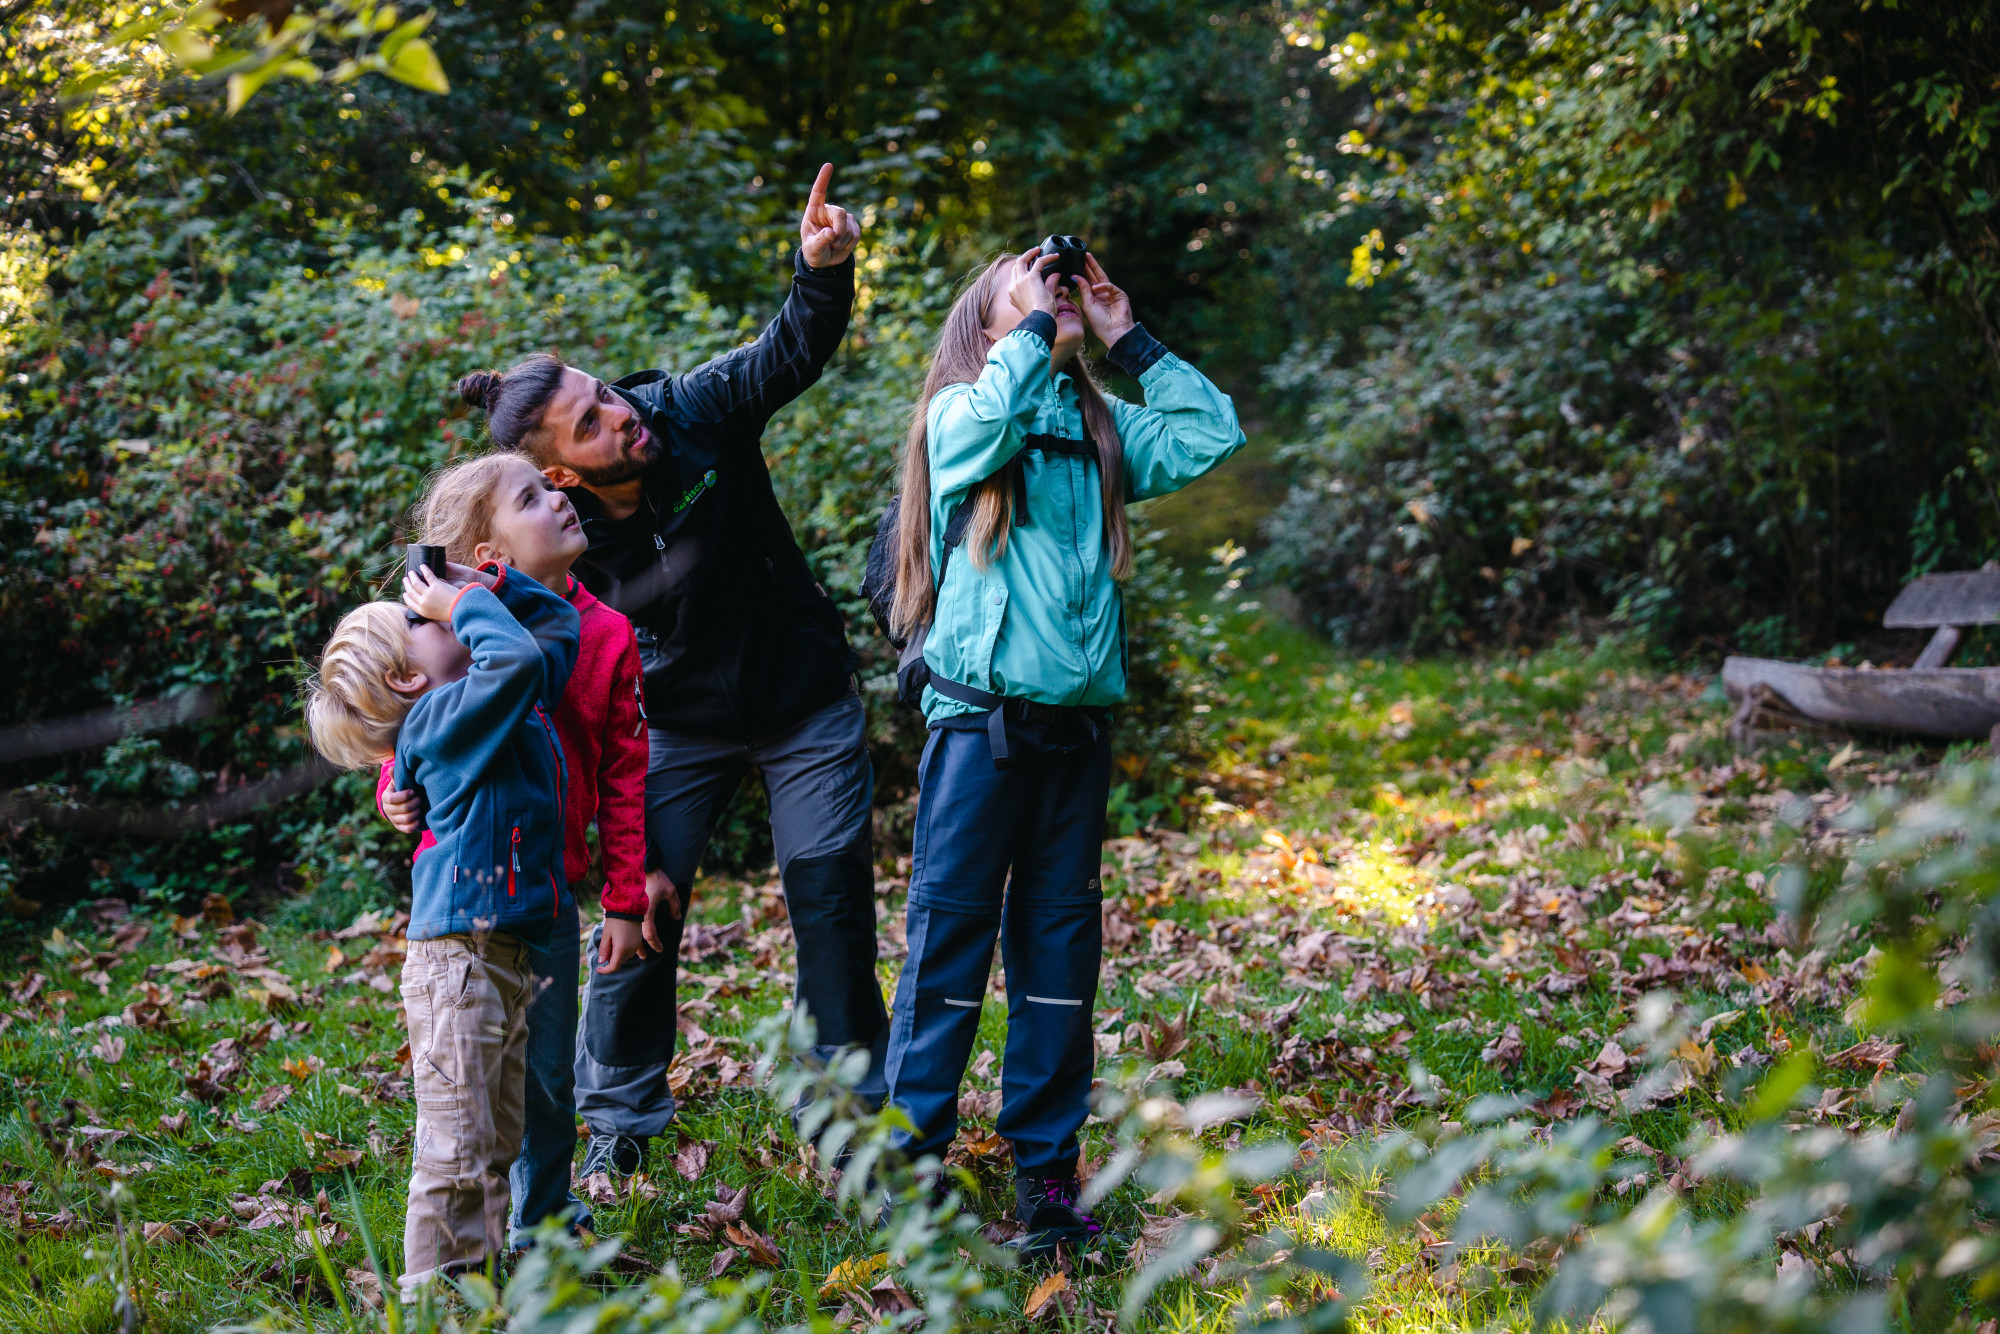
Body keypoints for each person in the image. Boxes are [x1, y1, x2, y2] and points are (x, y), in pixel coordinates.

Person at [444, 163, 882, 1180]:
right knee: (641, 911)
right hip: (670, 724)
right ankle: (623, 1116)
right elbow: (490, 628)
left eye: (606, 398)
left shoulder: (689, 412)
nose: (619, 419)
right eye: (590, 425)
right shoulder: (551, 528)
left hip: (801, 699)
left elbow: (788, 350)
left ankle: (854, 1111)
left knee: (827, 896)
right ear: (555, 472)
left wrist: (819, 272)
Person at [880, 247, 1243, 1257]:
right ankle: (912, 1177)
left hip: (1073, 738)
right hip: (978, 733)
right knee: (947, 958)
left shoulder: (1099, 427)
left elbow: (1210, 429)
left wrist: (1126, 335)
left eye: (1061, 284)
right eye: (1024, 284)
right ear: (992, 328)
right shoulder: (962, 415)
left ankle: (1047, 1181)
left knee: (1055, 967)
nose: (1054, 292)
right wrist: (1035, 331)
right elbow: (983, 420)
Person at [374, 451, 649, 1250]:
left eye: (551, 486)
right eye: (532, 497)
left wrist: (626, 897)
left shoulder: (598, 632)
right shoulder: (454, 640)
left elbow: (628, 774)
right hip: (474, 899)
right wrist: (394, 782)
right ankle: (481, 1232)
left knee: (550, 1077)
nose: (560, 498)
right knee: (489, 1077)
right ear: (489, 559)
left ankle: (546, 1218)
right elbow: (416, 726)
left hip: (554, 892)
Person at [303, 511, 580, 1297]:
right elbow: (519, 656)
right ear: (405, 680)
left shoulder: (488, 701)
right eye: (417, 621)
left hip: (501, 951)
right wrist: (465, 611)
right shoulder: (441, 719)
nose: (433, 611)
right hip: (459, 963)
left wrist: (485, 585)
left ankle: (477, 1287)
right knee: (456, 1147)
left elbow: (553, 630)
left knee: (494, 1139)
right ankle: (432, 1296)